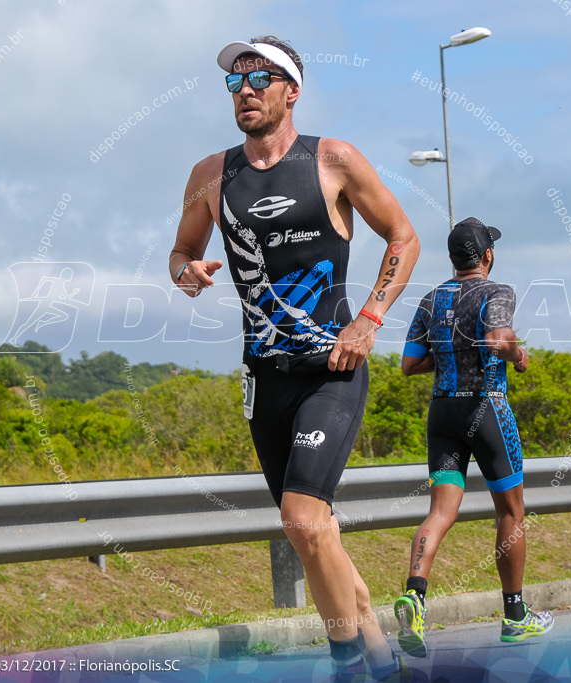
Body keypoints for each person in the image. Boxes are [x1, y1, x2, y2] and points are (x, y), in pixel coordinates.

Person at [169, 36, 420, 681]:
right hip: (264, 377)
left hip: (331, 371)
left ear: (292, 90)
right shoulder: (210, 174)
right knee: (315, 534)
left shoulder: (332, 159)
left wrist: (368, 320)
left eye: (260, 79)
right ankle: (382, 661)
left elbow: (403, 236)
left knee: (304, 520)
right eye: (235, 83)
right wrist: (188, 272)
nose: (245, 91)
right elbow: (179, 252)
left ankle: (345, 667)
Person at [393, 217, 553, 654]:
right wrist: (517, 354)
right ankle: (515, 615)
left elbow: (409, 364)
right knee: (510, 512)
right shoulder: (497, 291)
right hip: (486, 407)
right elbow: (499, 339)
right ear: (486, 256)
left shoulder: (431, 299)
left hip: (442, 412)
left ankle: (415, 593)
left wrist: (450, 351)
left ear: (451, 258)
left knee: (441, 510)